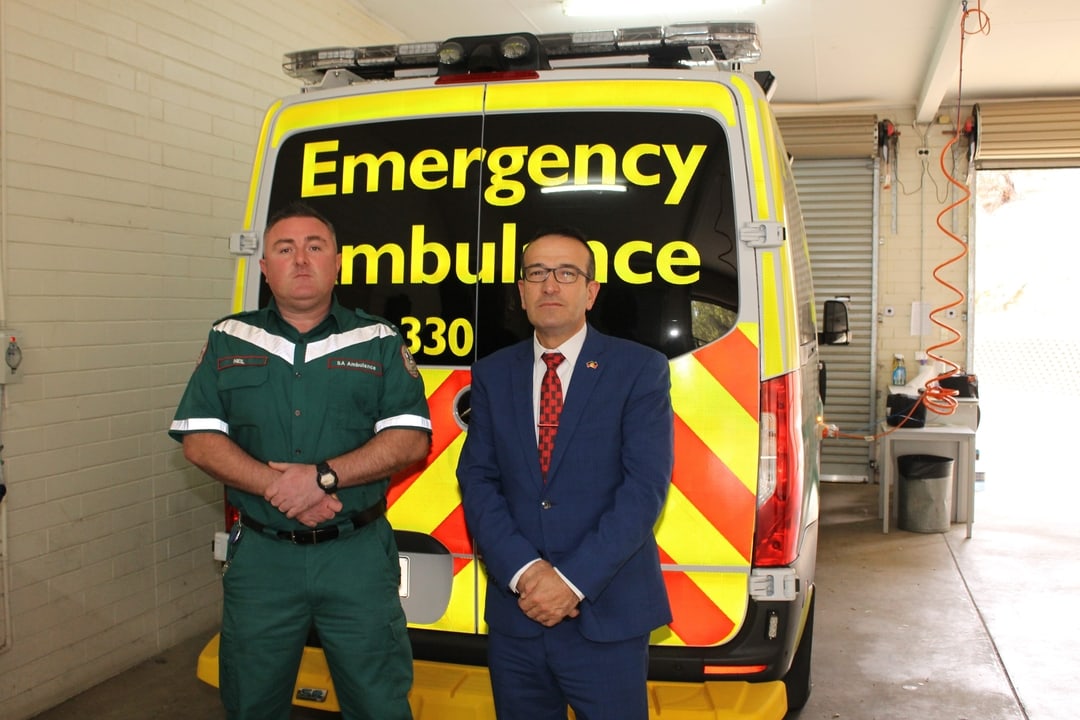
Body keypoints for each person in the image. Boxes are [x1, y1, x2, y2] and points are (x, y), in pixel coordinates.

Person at [169, 202, 431, 720]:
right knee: (252, 702)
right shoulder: (229, 337)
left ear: (337, 263)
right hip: (264, 558)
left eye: (315, 247)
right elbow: (199, 439)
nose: (301, 259)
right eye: (285, 249)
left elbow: (410, 440)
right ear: (264, 267)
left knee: (378, 702)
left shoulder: (377, 339)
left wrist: (322, 478)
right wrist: (280, 487)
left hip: (356, 555)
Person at [456, 227, 675, 720]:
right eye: (537, 273)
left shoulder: (639, 369)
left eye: (566, 273)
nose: (550, 285)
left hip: (606, 617)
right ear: (521, 292)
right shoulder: (492, 373)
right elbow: (478, 480)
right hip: (518, 616)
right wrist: (526, 573)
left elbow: (644, 489)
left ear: (591, 292)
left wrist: (570, 582)